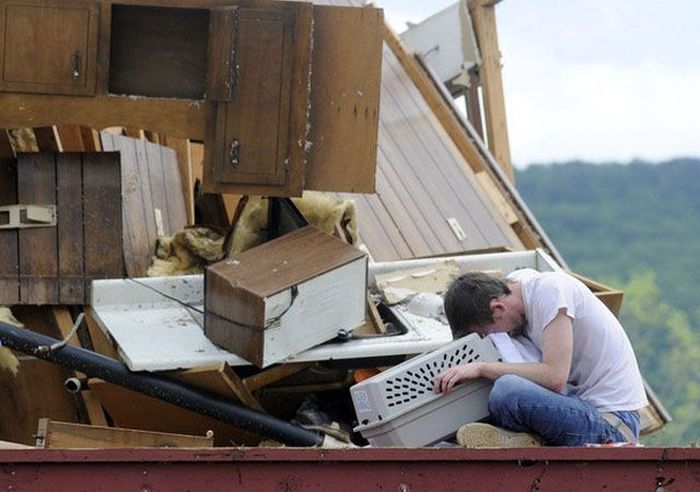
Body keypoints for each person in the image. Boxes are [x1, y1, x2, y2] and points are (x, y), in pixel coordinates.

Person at [436, 269, 648, 447]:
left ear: (498, 308)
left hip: (611, 423)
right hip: (575, 408)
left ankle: (528, 438)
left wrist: (482, 368)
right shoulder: (516, 293)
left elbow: (555, 377)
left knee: (506, 389)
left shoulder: (551, 291)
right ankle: (523, 438)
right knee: (490, 391)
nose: (500, 336)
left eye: (491, 331)